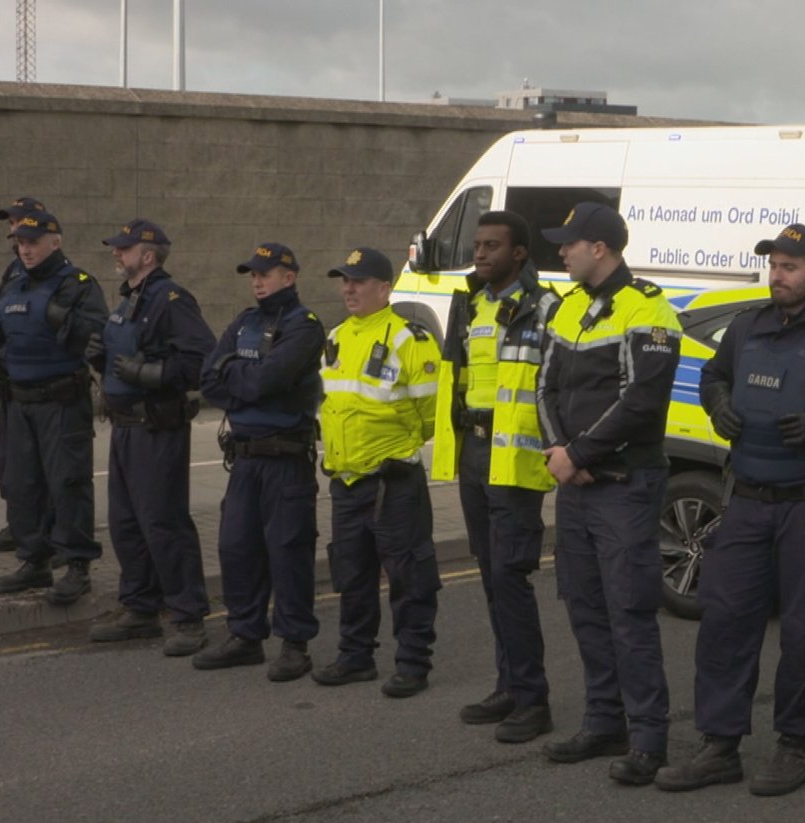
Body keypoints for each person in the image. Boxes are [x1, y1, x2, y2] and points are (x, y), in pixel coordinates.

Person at [655, 225, 805, 797]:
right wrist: (717, 404)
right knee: (725, 621)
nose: (779, 276)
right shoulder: (746, 328)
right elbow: (715, 377)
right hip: (745, 502)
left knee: (804, 629)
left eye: (792, 267)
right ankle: (719, 744)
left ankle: (794, 745)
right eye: (774, 266)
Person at [537, 202, 681, 786]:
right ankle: (604, 720)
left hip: (624, 485)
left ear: (600, 248)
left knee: (629, 613)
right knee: (586, 608)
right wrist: (561, 455)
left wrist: (581, 455)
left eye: (570, 244)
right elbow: (543, 386)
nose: (562, 251)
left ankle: (649, 736)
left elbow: (642, 402)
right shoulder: (568, 308)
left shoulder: (648, 310)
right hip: (577, 483)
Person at [432, 211, 561, 739]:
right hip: (475, 454)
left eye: (492, 246)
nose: (480, 253)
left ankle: (534, 701)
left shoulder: (545, 307)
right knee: (490, 577)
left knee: (510, 578)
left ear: (519, 254)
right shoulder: (470, 305)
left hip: (516, 460)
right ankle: (509, 685)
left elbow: (555, 385)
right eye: (477, 244)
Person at [312, 247, 442, 699]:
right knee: (352, 575)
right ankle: (355, 657)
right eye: (344, 280)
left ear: (384, 289)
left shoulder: (410, 338)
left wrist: (396, 448)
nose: (348, 288)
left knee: (408, 575)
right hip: (347, 481)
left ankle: (413, 662)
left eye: (359, 281)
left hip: (393, 482)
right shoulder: (337, 336)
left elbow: (431, 413)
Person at [84, 219, 215, 656]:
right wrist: (101, 358)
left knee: (163, 521)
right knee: (126, 522)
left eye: (124, 248)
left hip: (156, 429)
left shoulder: (170, 299)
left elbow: (202, 361)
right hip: (125, 430)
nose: (116, 254)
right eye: (116, 247)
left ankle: (188, 615)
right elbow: (126, 354)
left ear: (149, 254)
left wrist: (153, 373)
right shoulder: (129, 300)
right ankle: (140, 606)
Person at [195, 243, 324, 682]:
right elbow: (209, 380)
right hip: (246, 457)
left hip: (286, 457)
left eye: (264, 274)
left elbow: (274, 378)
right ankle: (245, 636)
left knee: (288, 551)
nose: (256, 281)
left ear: (289, 277)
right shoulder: (246, 322)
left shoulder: (304, 326)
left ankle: (294, 644)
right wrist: (247, 382)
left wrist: (241, 378)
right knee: (236, 547)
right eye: (252, 274)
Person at [0, 209, 106, 604]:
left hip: (61, 401)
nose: (25, 250)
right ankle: (34, 560)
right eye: (20, 243)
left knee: (68, 483)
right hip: (20, 402)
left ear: (54, 242)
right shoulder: (14, 282)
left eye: (33, 242)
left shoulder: (77, 284)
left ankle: (76, 566)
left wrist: (58, 319)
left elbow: (96, 334)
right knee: (23, 485)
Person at [0, 197, 51, 555]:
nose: (12, 230)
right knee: (8, 460)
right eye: (11, 223)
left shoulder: (47, 271)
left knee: (39, 466)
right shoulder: (14, 270)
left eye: (18, 221)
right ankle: (21, 524)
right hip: (12, 382)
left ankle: (45, 532)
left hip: (41, 389)